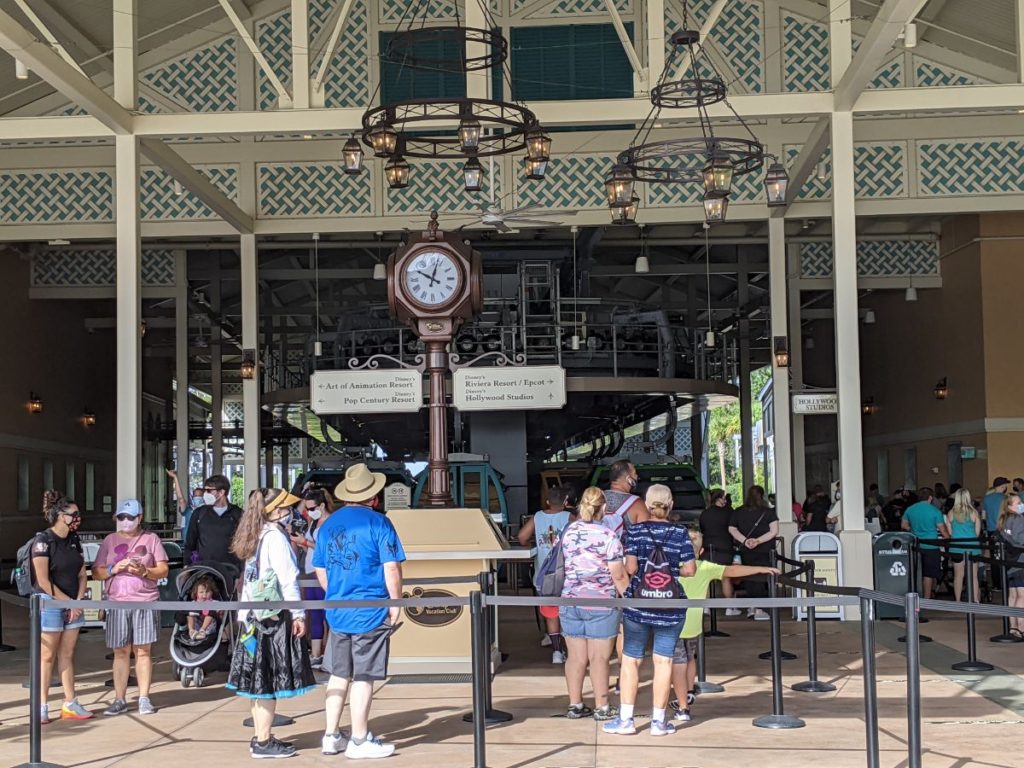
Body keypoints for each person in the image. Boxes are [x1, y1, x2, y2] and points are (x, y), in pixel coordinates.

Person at [313, 463, 405, 759]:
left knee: (338, 675)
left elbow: (320, 568)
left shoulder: (328, 525)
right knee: (363, 676)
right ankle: (359, 738)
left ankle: (330, 735)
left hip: (338, 610)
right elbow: (391, 566)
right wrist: (395, 603)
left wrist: (335, 593)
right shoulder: (380, 523)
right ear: (374, 496)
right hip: (371, 609)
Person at [227, 488, 315, 760]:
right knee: (266, 680)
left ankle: (260, 735)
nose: (290, 513)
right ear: (277, 511)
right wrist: (298, 614)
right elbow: (287, 579)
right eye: (286, 508)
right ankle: (264, 741)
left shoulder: (255, 535)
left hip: (253, 616)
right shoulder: (276, 538)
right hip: (272, 618)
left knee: (256, 678)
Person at [602, 484, 696, 738]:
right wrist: (670, 570)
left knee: (631, 660)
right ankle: (658, 722)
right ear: (671, 504)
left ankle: (626, 720)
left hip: (639, 604)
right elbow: (690, 570)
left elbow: (630, 568)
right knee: (664, 661)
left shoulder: (636, 531)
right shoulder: (680, 532)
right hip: (670, 605)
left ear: (647, 503)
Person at [669, 529, 779, 721]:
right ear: (701, 551)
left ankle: (683, 707)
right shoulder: (703, 567)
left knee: (677, 663)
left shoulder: (670, 567)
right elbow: (732, 570)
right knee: (689, 657)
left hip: (672, 623)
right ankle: (689, 691)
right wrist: (761, 568)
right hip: (694, 624)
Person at [558, 487, 629, 720]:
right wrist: (630, 598)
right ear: (605, 509)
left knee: (575, 657)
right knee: (599, 659)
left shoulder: (568, 532)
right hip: (601, 603)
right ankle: (602, 706)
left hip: (570, 599)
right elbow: (618, 575)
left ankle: (575, 704)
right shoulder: (609, 537)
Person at [93, 499, 169, 716]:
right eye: (121, 517)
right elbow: (97, 572)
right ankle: (119, 698)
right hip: (117, 601)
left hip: (145, 600)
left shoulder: (151, 539)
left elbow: (163, 569)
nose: (125, 521)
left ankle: (144, 697)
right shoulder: (110, 540)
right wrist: (114, 568)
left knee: (143, 650)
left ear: (140, 518)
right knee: (120, 651)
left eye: (130, 517)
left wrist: (144, 571)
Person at [30, 491, 93, 724]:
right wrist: (66, 602)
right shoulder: (43, 541)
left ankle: (70, 702)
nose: (77, 518)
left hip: (72, 604)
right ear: (59, 515)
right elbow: (44, 580)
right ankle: (42, 705)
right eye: (73, 514)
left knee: (67, 654)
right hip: (50, 604)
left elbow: (81, 573)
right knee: (47, 656)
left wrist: (76, 601)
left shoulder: (74, 540)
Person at [518, 486, 573, 663]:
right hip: (566, 572)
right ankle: (572, 650)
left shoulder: (537, 517)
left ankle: (557, 651)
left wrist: (533, 545)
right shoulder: (569, 517)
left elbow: (521, 537)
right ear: (565, 502)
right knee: (568, 611)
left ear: (548, 501)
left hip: (544, 573)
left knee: (550, 612)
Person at [727, 485, 780, 620]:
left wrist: (745, 541)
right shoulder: (768, 512)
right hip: (764, 549)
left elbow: (732, 528)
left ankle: (751, 606)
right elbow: (774, 531)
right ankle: (759, 609)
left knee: (749, 577)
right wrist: (758, 541)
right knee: (762, 578)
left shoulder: (739, 511)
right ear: (761, 496)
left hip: (746, 550)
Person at [295, 488, 334, 667]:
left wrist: (305, 542)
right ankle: (316, 654)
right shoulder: (313, 522)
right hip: (310, 571)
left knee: (327, 614)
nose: (309, 512)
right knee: (314, 613)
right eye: (308, 509)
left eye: (312, 508)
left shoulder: (331, 523)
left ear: (323, 505)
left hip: (324, 572)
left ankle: (330, 654)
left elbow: (327, 549)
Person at [184, 474, 243, 571]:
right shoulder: (199, 513)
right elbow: (190, 543)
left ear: (221, 492)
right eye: (205, 491)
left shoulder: (237, 514)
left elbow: (244, 544)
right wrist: (186, 566)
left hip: (231, 570)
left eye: (209, 491)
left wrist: (242, 571)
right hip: (204, 570)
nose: (205, 494)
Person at [902, 488, 949, 600]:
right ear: (930, 498)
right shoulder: (935, 511)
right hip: (931, 545)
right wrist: (948, 538)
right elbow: (942, 530)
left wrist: (913, 530)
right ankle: (926, 599)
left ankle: (915, 597)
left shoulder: (910, 509)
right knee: (928, 574)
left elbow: (903, 526)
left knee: (916, 572)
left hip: (915, 545)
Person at [698, 489, 739, 615]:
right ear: (720, 498)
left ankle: (706, 607)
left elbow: (702, 528)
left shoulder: (705, 513)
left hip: (708, 548)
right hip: (725, 547)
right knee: (725, 578)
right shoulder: (729, 512)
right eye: (724, 497)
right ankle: (729, 608)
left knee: (707, 579)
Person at [945, 488, 982, 603]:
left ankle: (958, 600)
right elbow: (977, 532)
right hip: (973, 547)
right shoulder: (974, 513)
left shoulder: (951, 513)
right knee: (974, 576)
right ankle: (975, 600)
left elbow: (950, 532)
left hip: (957, 547)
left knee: (958, 576)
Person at [601, 460, 650, 540]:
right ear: (628, 479)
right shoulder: (637, 504)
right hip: (624, 551)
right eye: (634, 473)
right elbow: (645, 537)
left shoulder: (595, 499)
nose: (637, 477)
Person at [997, 493, 1024, 638]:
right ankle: (1021, 627)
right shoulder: (1018, 519)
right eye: (1018, 502)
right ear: (1009, 506)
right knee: (1022, 595)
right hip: (1020, 559)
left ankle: (1013, 627)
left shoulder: (1004, 519)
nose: (1021, 504)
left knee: (1012, 595)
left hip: (1009, 561)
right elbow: (1020, 539)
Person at [166, 468, 203, 541]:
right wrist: (175, 478)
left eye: (199, 496)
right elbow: (181, 498)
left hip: (201, 547)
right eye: (195, 496)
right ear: (192, 497)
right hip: (187, 545)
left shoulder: (206, 511)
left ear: (203, 497)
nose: (197, 498)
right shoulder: (187, 511)